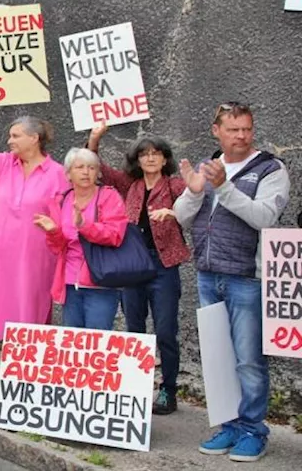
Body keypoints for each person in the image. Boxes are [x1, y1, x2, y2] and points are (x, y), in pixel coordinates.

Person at [175, 102, 290, 462]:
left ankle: (254, 430)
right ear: (216, 130)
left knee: (248, 361)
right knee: (219, 359)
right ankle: (229, 426)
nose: (242, 136)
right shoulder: (210, 166)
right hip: (209, 275)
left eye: (247, 129)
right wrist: (194, 190)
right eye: (233, 129)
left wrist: (223, 188)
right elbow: (180, 217)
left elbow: (264, 217)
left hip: (247, 279)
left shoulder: (271, 169)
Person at [88, 123, 188, 414]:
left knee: (166, 331)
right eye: (145, 154)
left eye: (156, 154)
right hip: (133, 266)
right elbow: (99, 168)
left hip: (163, 265)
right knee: (134, 331)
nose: (151, 159)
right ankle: (135, 388)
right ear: (137, 159)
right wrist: (95, 138)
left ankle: (168, 390)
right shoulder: (128, 185)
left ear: (165, 158)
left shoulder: (174, 185)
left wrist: (175, 212)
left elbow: (196, 200)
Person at [0, 105, 67, 347]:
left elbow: (64, 217)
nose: (9, 141)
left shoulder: (57, 173)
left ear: (34, 138)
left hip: (34, 257)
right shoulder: (3, 164)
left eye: (15, 136)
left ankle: (26, 379)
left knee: (30, 315)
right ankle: (10, 381)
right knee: (3, 315)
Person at [34, 148, 127, 330]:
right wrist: (53, 231)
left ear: (98, 172)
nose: (86, 172)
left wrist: (85, 226)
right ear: (68, 174)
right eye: (80, 167)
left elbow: (115, 235)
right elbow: (58, 247)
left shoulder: (109, 196)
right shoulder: (61, 200)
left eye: (92, 167)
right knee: (74, 342)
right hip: (69, 281)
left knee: (96, 341)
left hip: (100, 281)